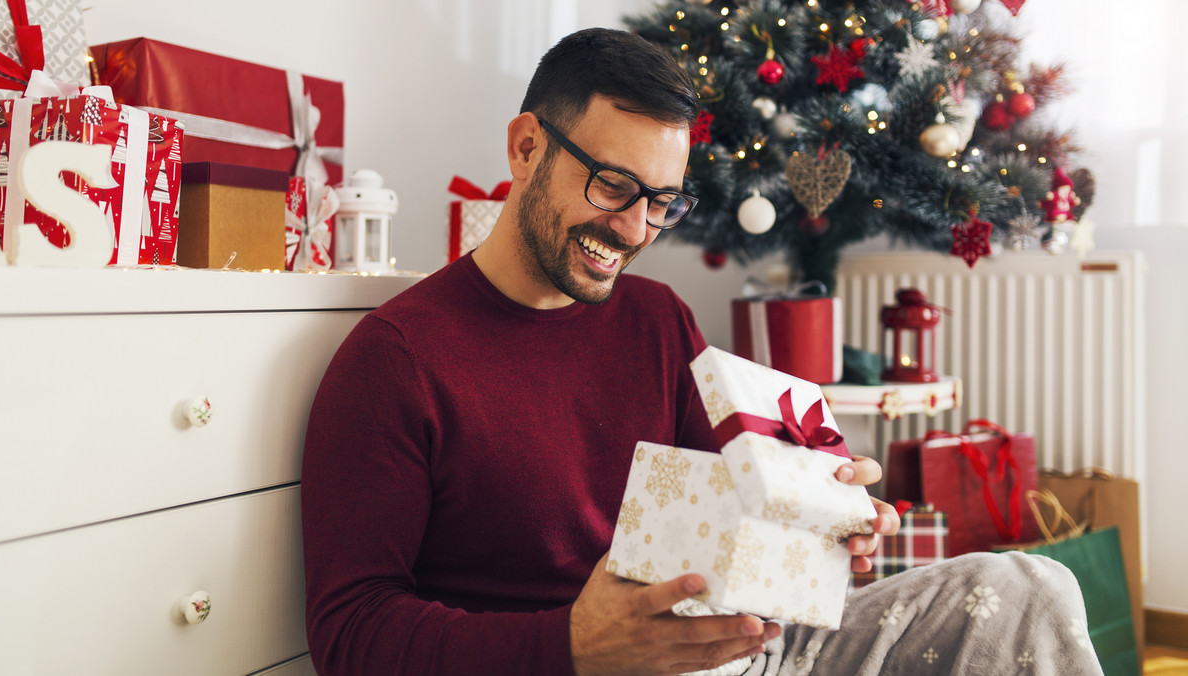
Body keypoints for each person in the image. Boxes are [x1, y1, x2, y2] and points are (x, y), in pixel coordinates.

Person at [301, 27, 1103, 676]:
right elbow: (351, 634)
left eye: (662, 202)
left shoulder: (655, 318)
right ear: (524, 148)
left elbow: (734, 504)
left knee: (1029, 584)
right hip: (579, 666)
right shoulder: (397, 360)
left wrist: (828, 520)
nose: (634, 230)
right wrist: (572, 648)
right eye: (613, 185)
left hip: (745, 650)